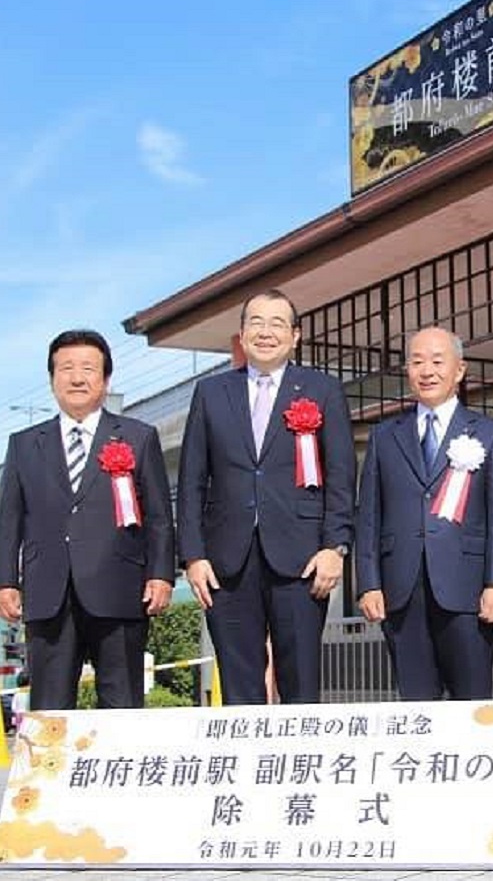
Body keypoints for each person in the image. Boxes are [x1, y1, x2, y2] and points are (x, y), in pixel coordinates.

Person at [177, 289, 355, 704]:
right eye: (256, 322)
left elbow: (342, 477)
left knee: (301, 681)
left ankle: (299, 764)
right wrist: (193, 555)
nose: (265, 332)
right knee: (240, 685)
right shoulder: (212, 392)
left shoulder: (322, 389)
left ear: (295, 336)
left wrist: (335, 547)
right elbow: (190, 480)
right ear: (241, 334)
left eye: (277, 323)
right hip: (226, 562)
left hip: (302, 559)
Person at [0, 329, 175, 710]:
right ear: (52, 380)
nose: (77, 378)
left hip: (120, 590)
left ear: (106, 379)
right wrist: (6, 581)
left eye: (87, 368)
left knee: (122, 703)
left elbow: (160, 516)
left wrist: (161, 574)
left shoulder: (137, 437)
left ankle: (123, 769)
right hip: (49, 593)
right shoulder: (24, 444)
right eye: (66, 368)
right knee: (50, 708)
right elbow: (9, 520)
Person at [355, 326, 493, 700]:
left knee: (471, 701)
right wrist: (368, 581)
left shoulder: (490, 434)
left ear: (459, 370)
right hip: (401, 589)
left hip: (467, 589)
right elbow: (369, 516)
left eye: (437, 361)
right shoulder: (385, 435)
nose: (426, 371)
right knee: (415, 705)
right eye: (416, 362)